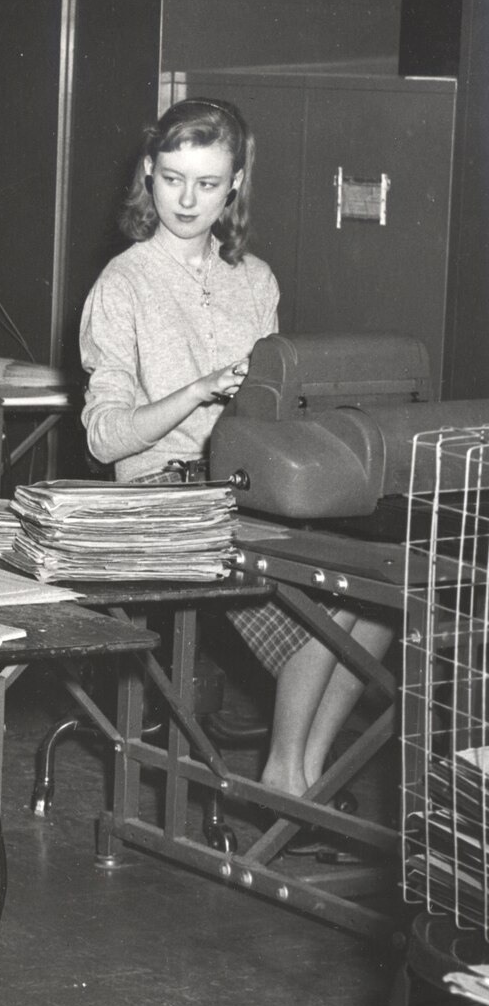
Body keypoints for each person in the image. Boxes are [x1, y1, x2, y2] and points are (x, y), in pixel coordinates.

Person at [79, 97, 393, 803]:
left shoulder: (256, 280)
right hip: (162, 492)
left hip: (243, 484)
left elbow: (275, 413)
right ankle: (288, 773)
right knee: (324, 597)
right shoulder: (123, 283)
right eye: (171, 178)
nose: (187, 199)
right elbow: (104, 438)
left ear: (235, 187)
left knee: (376, 595)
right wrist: (195, 391)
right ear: (147, 177)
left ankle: (301, 767)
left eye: (208, 183)